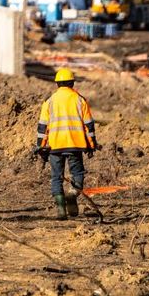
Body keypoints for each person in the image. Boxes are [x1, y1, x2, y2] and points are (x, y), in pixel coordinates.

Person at [33, 67, 98, 219]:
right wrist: (91, 144)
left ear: (57, 84)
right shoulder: (80, 100)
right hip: (75, 145)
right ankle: (73, 194)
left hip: (54, 146)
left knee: (56, 177)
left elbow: (42, 126)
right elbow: (89, 125)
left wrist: (41, 146)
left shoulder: (49, 101)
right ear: (72, 83)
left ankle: (61, 210)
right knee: (77, 173)